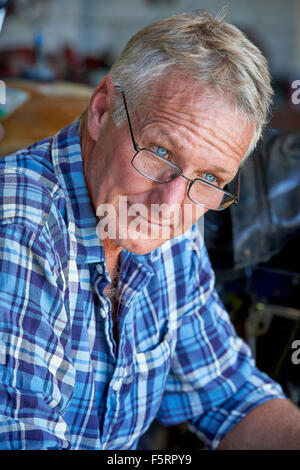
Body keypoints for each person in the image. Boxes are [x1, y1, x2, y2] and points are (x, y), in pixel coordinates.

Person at [0, 11, 299, 451]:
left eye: (212, 179)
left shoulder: (174, 214)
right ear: (102, 110)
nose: (171, 204)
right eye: (161, 151)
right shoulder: (20, 231)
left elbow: (229, 393)